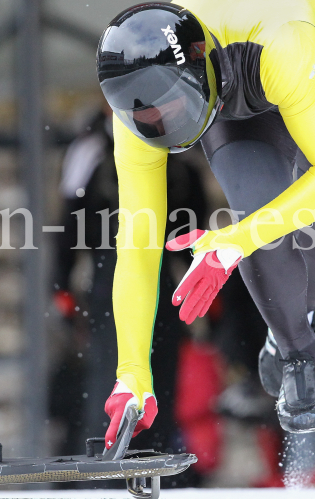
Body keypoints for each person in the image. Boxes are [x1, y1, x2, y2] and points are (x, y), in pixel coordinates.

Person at [95, 0, 315, 445]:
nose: (165, 130)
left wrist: (233, 243)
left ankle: (298, 313)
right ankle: (298, 353)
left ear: (198, 73)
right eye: (152, 121)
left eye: (176, 110)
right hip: (229, 95)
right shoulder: (138, 119)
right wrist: (131, 373)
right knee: (256, 212)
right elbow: (137, 246)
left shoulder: (283, 51)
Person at [50, 104, 207, 462]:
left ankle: (156, 460)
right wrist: (60, 284)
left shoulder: (176, 147)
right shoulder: (90, 151)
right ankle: (104, 467)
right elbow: (68, 222)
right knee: (110, 375)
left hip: (162, 273)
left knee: (161, 375)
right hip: (108, 274)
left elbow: (193, 223)